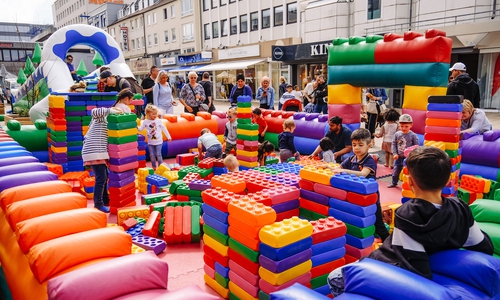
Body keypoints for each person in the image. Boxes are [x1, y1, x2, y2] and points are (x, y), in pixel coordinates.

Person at [327, 146, 494, 296]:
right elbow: (483, 245)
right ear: (447, 179)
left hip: (387, 264)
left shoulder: (408, 214)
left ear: (410, 181)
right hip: (420, 262)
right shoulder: (461, 208)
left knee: (333, 276)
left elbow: (414, 266)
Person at [327, 128, 389, 241]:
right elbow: (338, 168)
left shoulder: (369, 160)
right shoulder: (351, 159)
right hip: (356, 195)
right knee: (359, 220)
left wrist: (346, 171)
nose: (356, 148)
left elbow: (363, 173)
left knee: (378, 223)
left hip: (370, 198)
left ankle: (388, 243)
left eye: (360, 145)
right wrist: (328, 167)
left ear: (369, 145)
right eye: (354, 145)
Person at [82, 106, 124, 213]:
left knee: (104, 176)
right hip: (94, 151)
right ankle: (98, 204)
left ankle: (105, 199)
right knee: (101, 178)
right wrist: (111, 110)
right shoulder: (101, 118)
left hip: (99, 152)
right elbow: (94, 112)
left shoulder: (108, 123)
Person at [387, 114, 419, 188]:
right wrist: (395, 153)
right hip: (398, 157)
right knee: (395, 171)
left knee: (409, 173)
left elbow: (416, 146)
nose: (404, 128)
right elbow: (394, 144)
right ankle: (394, 182)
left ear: (411, 125)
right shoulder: (397, 134)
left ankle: (409, 185)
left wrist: (412, 154)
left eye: (406, 126)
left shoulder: (413, 135)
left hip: (408, 158)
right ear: (399, 125)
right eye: (402, 126)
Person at [138, 104, 172, 169]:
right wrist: (136, 127)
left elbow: (164, 128)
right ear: (148, 113)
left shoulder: (158, 121)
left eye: (156, 114)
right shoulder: (145, 122)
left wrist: (169, 137)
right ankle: (154, 166)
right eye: (153, 114)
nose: (155, 115)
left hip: (159, 141)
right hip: (150, 142)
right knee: (152, 155)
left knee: (158, 155)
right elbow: (140, 129)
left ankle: (161, 167)